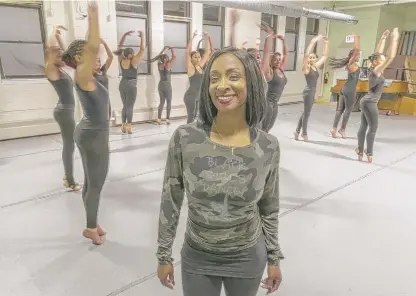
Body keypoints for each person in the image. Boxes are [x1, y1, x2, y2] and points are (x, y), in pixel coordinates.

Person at [156, 47, 283, 296]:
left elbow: (269, 207)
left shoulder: (267, 146)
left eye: (233, 76)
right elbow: (170, 200)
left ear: (251, 82)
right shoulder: (185, 138)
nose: (222, 86)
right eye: (214, 78)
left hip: (247, 257)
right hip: (197, 255)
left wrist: (274, 258)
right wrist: (163, 255)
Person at [62, 3, 109, 245]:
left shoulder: (86, 74)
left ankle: (92, 221)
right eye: (92, 55)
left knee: (91, 181)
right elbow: (93, 45)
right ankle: (91, 227)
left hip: (90, 132)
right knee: (97, 183)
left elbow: (95, 50)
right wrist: (93, 14)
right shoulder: (81, 72)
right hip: (93, 135)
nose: (97, 57)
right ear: (80, 57)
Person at [45, 25, 80, 191]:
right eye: (55, 50)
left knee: (70, 144)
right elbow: (51, 48)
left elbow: (68, 54)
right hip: (64, 111)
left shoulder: (59, 67)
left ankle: (69, 177)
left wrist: (59, 37)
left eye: (59, 50)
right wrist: (53, 32)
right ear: (49, 52)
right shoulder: (50, 68)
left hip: (66, 110)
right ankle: (70, 179)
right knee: (69, 145)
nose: (59, 52)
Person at [356, 28, 399, 163]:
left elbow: (377, 54)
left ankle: (359, 149)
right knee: (373, 128)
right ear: (377, 62)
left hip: (365, 100)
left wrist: (383, 38)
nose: (384, 59)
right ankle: (369, 153)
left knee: (364, 126)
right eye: (382, 59)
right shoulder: (376, 69)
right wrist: (394, 39)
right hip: (370, 102)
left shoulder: (372, 67)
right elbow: (391, 57)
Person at [294, 34, 329, 141]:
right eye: (310, 57)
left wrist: (327, 43)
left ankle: (296, 132)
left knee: (305, 112)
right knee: (307, 113)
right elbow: (306, 55)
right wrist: (313, 41)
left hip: (312, 92)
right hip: (308, 92)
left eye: (313, 57)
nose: (312, 59)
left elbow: (325, 56)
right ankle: (304, 133)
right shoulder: (307, 68)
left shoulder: (315, 66)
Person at [329, 34, 360, 138]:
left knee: (339, 110)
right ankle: (342, 129)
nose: (358, 56)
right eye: (357, 55)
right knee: (348, 110)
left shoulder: (351, 65)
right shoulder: (351, 64)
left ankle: (333, 128)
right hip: (350, 90)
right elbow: (356, 50)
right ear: (352, 56)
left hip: (344, 89)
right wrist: (356, 39)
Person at [115, 30, 146, 134]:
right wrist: (142, 36)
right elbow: (142, 49)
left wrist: (124, 35)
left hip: (122, 84)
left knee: (125, 106)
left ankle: (123, 125)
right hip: (131, 85)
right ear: (131, 54)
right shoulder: (134, 61)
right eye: (133, 53)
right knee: (130, 106)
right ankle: (129, 126)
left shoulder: (121, 60)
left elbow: (119, 47)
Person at [260, 25, 288, 133]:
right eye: (275, 60)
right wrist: (269, 36)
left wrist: (284, 41)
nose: (278, 61)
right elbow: (266, 53)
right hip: (267, 104)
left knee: (268, 128)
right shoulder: (269, 72)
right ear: (270, 61)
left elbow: (286, 54)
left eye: (279, 59)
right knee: (263, 129)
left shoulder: (281, 70)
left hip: (275, 104)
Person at [183, 31, 211, 123]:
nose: (198, 59)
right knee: (191, 118)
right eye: (195, 57)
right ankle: (187, 135)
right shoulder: (191, 68)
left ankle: (193, 134)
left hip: (199, 96)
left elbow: (208, 52)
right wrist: (193, 36)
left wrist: (206, 37)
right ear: (191, 59)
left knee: (196, 117)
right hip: (190, 96)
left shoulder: (200, 66)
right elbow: (187, 52)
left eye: (199, 57)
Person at [148, 46, 176, 125]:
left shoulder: (159, 65)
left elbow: (159, 58)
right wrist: (171, 49)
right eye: (167, 58)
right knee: (169, 102)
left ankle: (159, 119)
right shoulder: (168, 65)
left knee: (161, 102)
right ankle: (167, 119)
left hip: (160, 85)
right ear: (166, 59)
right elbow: (174, 56)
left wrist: (162, 50)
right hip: (167, 85)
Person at [94, 38, 114, 120]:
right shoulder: (90, 74)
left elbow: (110, 57)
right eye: (95, 61)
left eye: (99, 61)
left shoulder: (103, 70)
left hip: (106, 99)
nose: (98, 62)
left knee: (107, 119)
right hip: (96, 101)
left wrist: (105, 44)